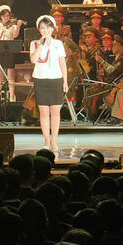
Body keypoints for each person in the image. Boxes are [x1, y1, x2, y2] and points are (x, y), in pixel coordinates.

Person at [30, 15, 69, 152]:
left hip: (56, 80)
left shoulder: (58, 44)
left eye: (48, 27)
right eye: (42, 28)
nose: (45, 30)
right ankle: (47, 140)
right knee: (44, 112)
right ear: (39, 30)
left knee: (55, 112)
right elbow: (33, 60)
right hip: (41, 80)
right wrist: (41, 44)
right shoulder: (34, 43)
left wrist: (65, 81)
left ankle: (54, 140)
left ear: (52, 29)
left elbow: (62, 64)